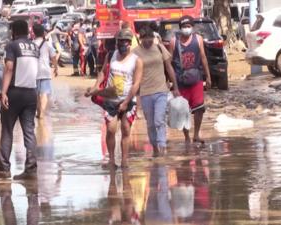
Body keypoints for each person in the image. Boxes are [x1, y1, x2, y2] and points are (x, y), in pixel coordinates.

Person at [85, 29, 143, 169]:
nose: (123, 44)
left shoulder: (137, 61)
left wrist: (126, 102)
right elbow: (103, 73)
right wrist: (95, 88)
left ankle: (124, 160)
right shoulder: (111, 55)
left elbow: (136, 84)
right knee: (110, 130)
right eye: (120, 41)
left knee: (126, 130)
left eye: (126, 42)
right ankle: (111, 160)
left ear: (130, 43)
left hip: (128, 101)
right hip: (111, 100)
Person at [0, 20, 40, 179]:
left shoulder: (12, 46)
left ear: (14, 31)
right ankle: (31, 168)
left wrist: (3, 92)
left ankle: (4, 167)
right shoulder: (34, 47)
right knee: (29, 131)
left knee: (7, 130)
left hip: (14, 92)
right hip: (31, 93)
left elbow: (9, 68)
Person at [133, 25, 180, 157]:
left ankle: (162, 147)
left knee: (159, 120)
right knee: (150, 124)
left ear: (153, 38)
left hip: (161, 90)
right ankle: (154, 148)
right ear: (140, 39)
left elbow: (169, 67)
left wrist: (175, 87)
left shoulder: (159, 48)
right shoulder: (135, 53)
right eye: (144, 38)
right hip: (145, 92)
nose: (147, 41)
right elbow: (132, 73)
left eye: (150, 38)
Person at [169, 15, 211, 146]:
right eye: (184, 27)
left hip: (196, 79)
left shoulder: (198, 39)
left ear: (192, 27)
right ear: (180, 28)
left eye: (188, 26)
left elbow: (203, 58)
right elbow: (169, 62)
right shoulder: (173, 41)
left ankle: (196, 134)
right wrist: (169, 81)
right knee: (183, 110)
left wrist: (208, 76)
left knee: (199, 108)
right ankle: (186, 136)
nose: (186, 29)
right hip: (180, 81)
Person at [33, 23, 58, 119]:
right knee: (44, 94)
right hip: (45, 72)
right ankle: (42, 113)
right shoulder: (47, 44)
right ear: (43, 33)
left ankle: (38, 111)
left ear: (34, 33)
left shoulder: (31, 44)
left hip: (34, 72)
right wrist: (56, 67)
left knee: (36, 94)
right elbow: (54, 57)